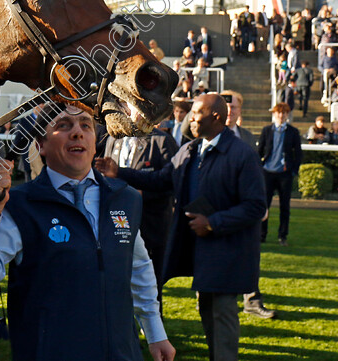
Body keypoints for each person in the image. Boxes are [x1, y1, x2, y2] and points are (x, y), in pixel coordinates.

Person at [0, 103, 176, 361]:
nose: (77, 132)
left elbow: (138, 267)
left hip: (121, 352)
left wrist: (156, 333)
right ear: (41, 146)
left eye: (86, 125)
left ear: (95, 142)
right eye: (63, 126)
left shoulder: (124, 198)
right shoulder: (20, 206)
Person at [96, 94, 266, 361]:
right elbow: (162, 180)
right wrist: (120, 173)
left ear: (216, 118)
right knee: (207, 310)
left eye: (197, 113)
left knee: (221, 315)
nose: (191, 118)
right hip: (202, 250)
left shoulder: (242, 154)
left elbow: (256, 206)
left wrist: (213, 222)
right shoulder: (191, 150)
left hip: (228, 252)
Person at [103, 128, 179, 313]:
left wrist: (141, 195)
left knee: (151, 284)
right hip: (119, 226)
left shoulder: (161, 141)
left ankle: (155, 333)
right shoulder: (114, 139)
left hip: (151, 226)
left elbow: (171, 182)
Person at [220, 90, 276, 319]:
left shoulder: (248, 137)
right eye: (226, 107)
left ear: (240, 111)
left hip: (244, 209)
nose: (230, 112)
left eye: (234, 108)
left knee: (249, 254)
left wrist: (261, 204)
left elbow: (256, 175)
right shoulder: (205, 135)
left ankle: (252, 300)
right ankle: (208, 297)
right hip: (217, 208)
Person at [258, 103, 302, 247]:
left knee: (285, 207)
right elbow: (260, 150)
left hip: (284, 174)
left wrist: (293, 170)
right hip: (267, 173)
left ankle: (282, 236)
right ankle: (261, 235)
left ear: (287, 115)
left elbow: (298, 153)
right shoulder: (267, 130)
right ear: (274, 114)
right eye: (278, 113)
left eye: (284, 113)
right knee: (264, 206)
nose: (281, 116)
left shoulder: (293, 132)